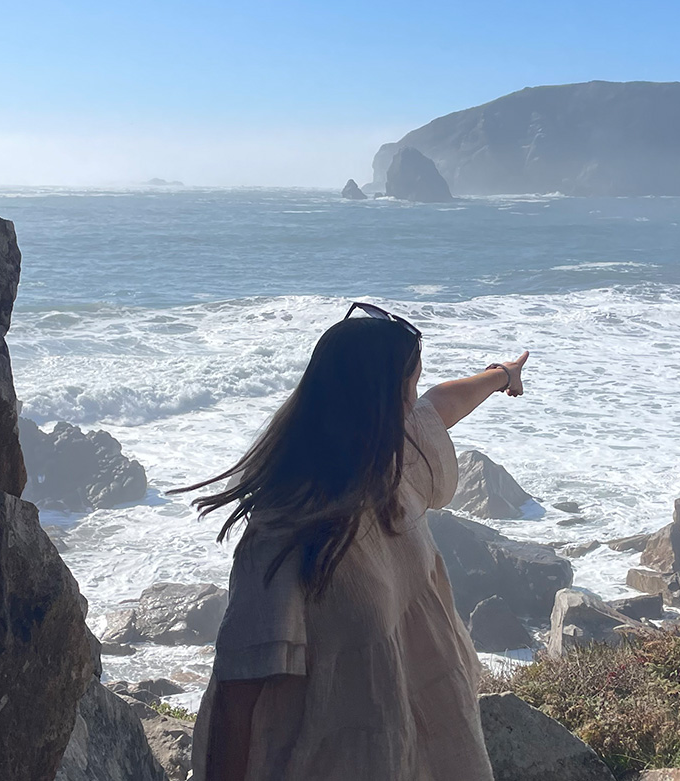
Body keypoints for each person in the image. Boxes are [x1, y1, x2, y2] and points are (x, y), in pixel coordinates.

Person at [171, 302, 529, 781]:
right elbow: (238, 694)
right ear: (378, 400)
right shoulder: (284, 532)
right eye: (410, 385)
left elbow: (441, 406)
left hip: (427, 750)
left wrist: (502, 374)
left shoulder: (391, 465)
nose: (414, 400)